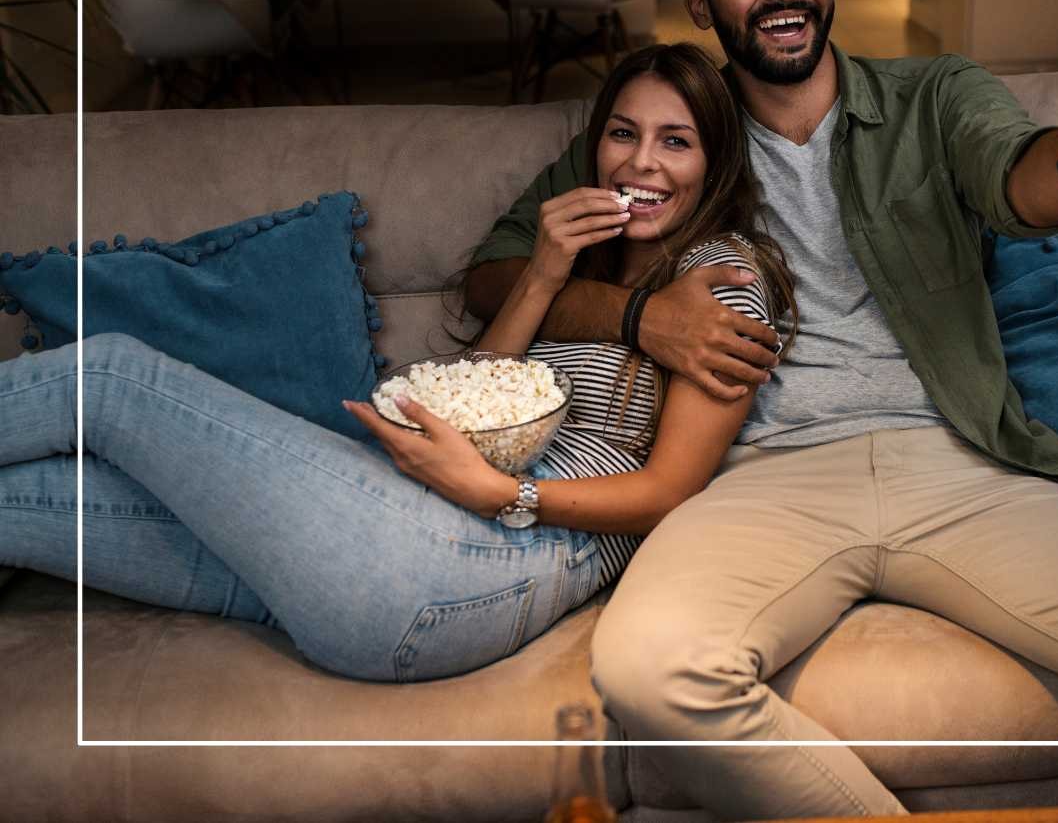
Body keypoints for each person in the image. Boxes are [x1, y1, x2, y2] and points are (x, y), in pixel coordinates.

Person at [463, 0, 1058, 817]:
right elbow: (498, 270)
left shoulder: (933, 97)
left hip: (956, 465)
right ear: (702, 3)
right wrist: (639, 317)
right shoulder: (678, 125)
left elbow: (1018, 173)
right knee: (652, 673)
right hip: (757, 478)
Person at [0, 42, 795, 683]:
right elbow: (471, 391)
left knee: (106, 378)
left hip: (476, 567)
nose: (641, 164)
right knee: (27, 500)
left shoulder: (723, 279)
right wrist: (547, 267)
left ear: (715, 161)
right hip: (373, 560)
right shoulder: (591, 260)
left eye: (675, 141)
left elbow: (670, 492)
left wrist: (501, 492)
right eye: (623, 134)